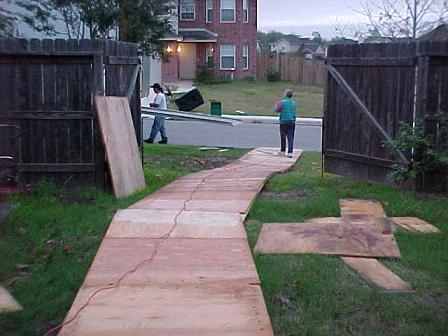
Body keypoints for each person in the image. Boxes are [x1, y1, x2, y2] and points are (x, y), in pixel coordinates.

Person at [274, 89, 297, 158]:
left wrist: (276, 104)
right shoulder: (293, 103)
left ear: (285, 95)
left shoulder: (282, 102)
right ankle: (290, 152)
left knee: (283, 136)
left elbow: (276, 110)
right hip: (292, 121)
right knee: (290, 137)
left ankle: (283, 151)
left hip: (283, 121)